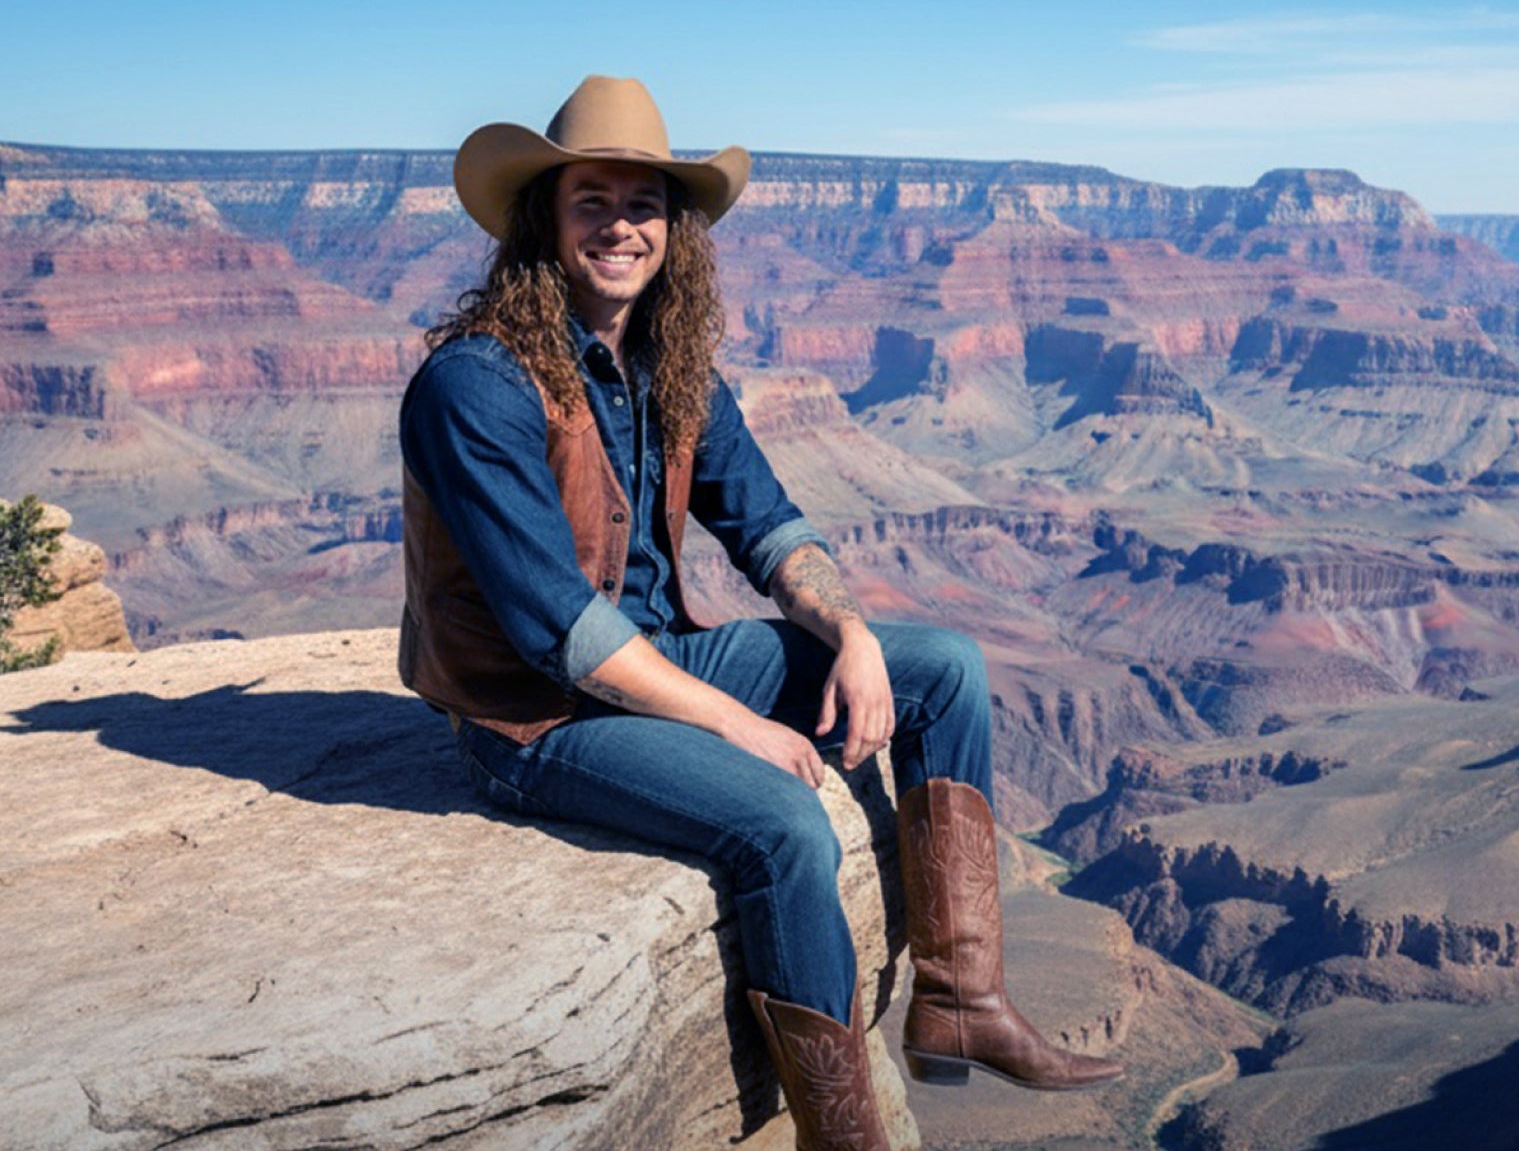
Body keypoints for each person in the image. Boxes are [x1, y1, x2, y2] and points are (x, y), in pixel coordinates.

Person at [397, 75, 1119, 1151]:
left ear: (671, 228)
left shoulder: (667, 366)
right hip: (537, 717)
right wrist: (738, 725)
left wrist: (855, 636)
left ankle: (961, 1004)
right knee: (780, 826)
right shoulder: (478, 385)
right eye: (590, 200)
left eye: (642, 204)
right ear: (542, 219)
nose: (620, 227)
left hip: (661, 659)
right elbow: (559, 628)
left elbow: (771, 528)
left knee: (946, 668)